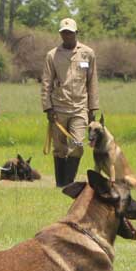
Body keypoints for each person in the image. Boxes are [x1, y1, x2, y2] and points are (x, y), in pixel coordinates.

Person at [41, 17, 99, 187]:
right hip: (58, 107)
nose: (67, 36)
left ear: (76, 33)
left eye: (70, 33)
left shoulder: (88, 53)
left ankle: (69, 182)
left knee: (78, 145)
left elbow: (92, 82)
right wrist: (48, 108)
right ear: (60, 34)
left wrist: (92, 108)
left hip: (80, 108)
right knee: (59, 148)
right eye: (64, 33)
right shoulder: (52, 55)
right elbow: (46, 83)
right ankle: (61, 184)